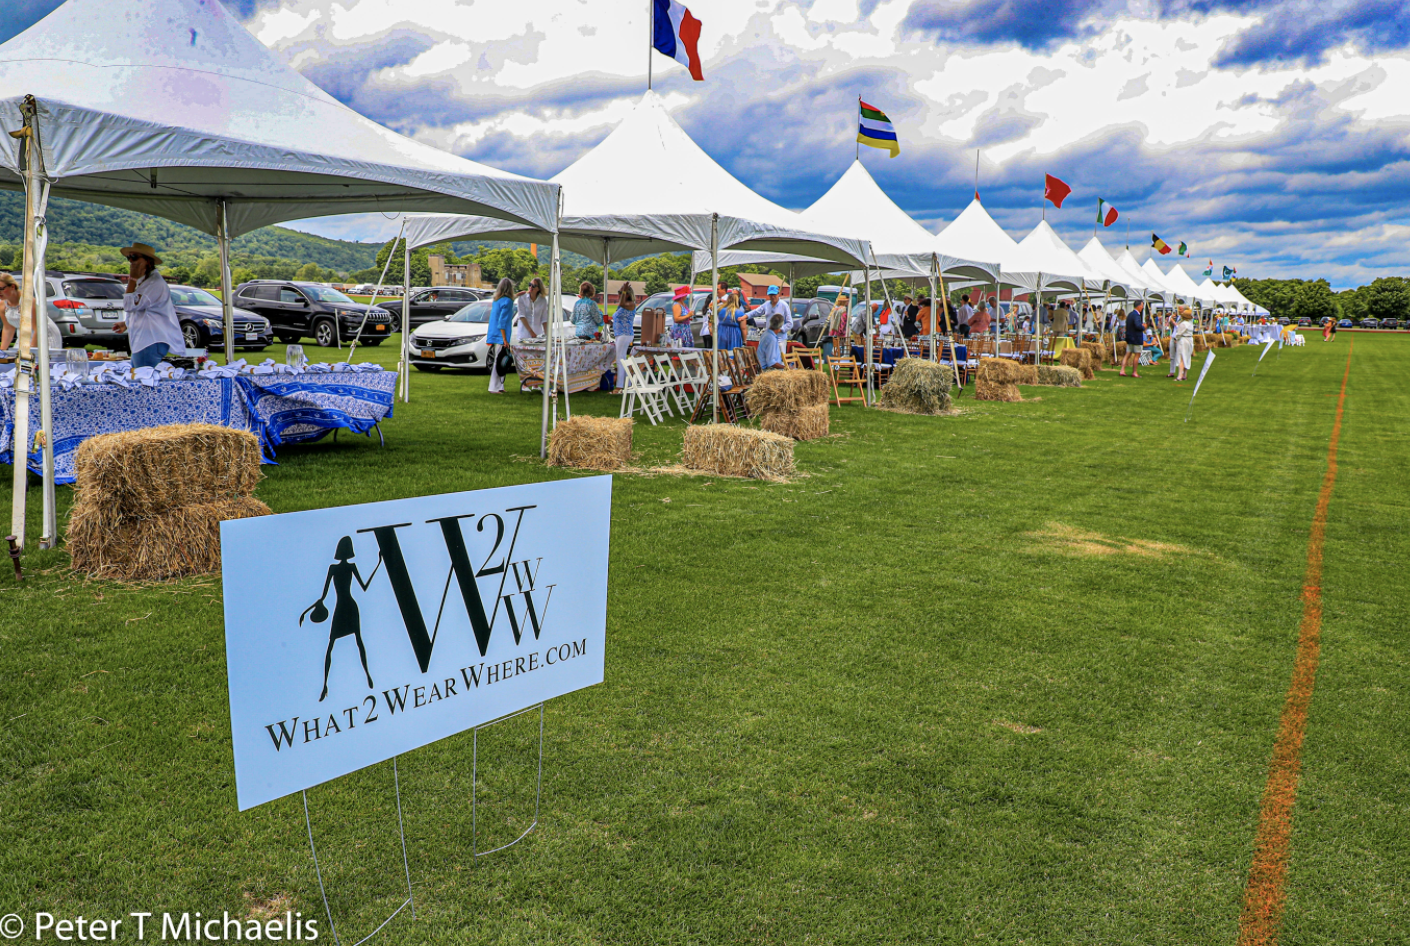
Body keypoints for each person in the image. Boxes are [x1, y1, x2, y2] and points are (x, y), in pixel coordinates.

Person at [301, 535, 382, 703]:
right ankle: (326, 684)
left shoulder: (336, 568)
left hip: (346, 607)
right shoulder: (346, 567)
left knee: (339, 644)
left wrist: (379, 564)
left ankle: (365, 674)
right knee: (350, 642)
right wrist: (378, 564)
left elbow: (323, 597)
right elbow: (363, 586)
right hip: (347, 606)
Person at [115, 242, 184, 368]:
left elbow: (129, 305)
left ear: (147, 261)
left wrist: (132, 279)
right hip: (144, 341)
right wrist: (126, 323)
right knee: (137, 375)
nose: (131, 261)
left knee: (142, 377)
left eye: (134, 257)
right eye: (129, 257)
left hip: (150, 341)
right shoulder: (145, 281)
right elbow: (141, 310)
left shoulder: (154, 283)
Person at [0, 272, 60, 352]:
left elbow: (38, 329)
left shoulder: (28, 302)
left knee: (38, 359)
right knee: (16, 358)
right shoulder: (2, 306)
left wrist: (31, 351)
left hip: (45, 335)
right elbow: (8, 329)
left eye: (1, 289)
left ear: (12, 287)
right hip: (24, 336)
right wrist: (2, 351)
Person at [486, 277, 516, 394]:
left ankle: (500, 386)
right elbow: (502, 322)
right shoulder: (508, 302)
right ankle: (494, 387)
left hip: (494, 333)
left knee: (500, 359)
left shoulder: (497, 300)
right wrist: (505, 339)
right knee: (500, 361)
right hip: (501, 335)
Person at [611, 282, 637, 392]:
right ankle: (628, 384)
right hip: (619, 334)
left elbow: (621, 303)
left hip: (625, 334)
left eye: (621, 293)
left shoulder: (630, 304)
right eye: (619, 292)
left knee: (620, 359)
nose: (619, 294)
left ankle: (619, 387)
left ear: (627, 294)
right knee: (622, 359)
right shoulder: (622, 306)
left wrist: (624, 291)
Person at [513, 277, 548, 343]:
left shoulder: (543, 300)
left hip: (538, 334)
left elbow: (544, 319)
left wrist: (547, 335)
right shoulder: (522, 297)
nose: (531, 287)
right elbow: (522, 316)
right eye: (530, 284)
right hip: (524, 334)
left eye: (534, 286)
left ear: (539, 288)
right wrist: (531, 332)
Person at [1121, 299, 1145, 378]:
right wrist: (1143, 327)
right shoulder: (1136, 315)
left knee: (1127, 354)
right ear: (1139, 306)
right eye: (1142, 305)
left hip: (1129, 337)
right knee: (1137, 355)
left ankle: (1122, 370)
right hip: (1136, 338)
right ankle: (1134, 372)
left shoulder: (1130, 314)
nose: (1142, 307)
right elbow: (1137, 326)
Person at [1170, 306, 1194, 381]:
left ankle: (1179, 376)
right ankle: (1184, 375)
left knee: (1181, 358)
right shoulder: (1190, 324)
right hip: (1190, 340)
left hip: (1183, 341)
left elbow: (1179, 333)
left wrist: (1176, 338)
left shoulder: (1183, 324)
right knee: (1187, 357)